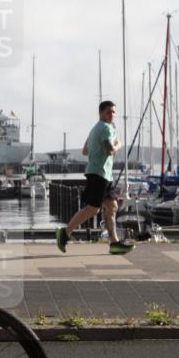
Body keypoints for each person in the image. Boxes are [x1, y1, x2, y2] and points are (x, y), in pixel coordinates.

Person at [55, 100, 134, 255]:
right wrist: (119, 144)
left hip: (103, 174)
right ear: (101, 113)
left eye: (113, 112)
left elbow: (85, 151)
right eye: (109, 112)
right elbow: (110, 150)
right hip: (99, 174)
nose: (112, 115)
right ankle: (64, 233)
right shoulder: (105, 128)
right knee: (93, 209)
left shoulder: (95, 129)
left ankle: (115, 243)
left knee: (112, 206)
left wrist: (98, 151)